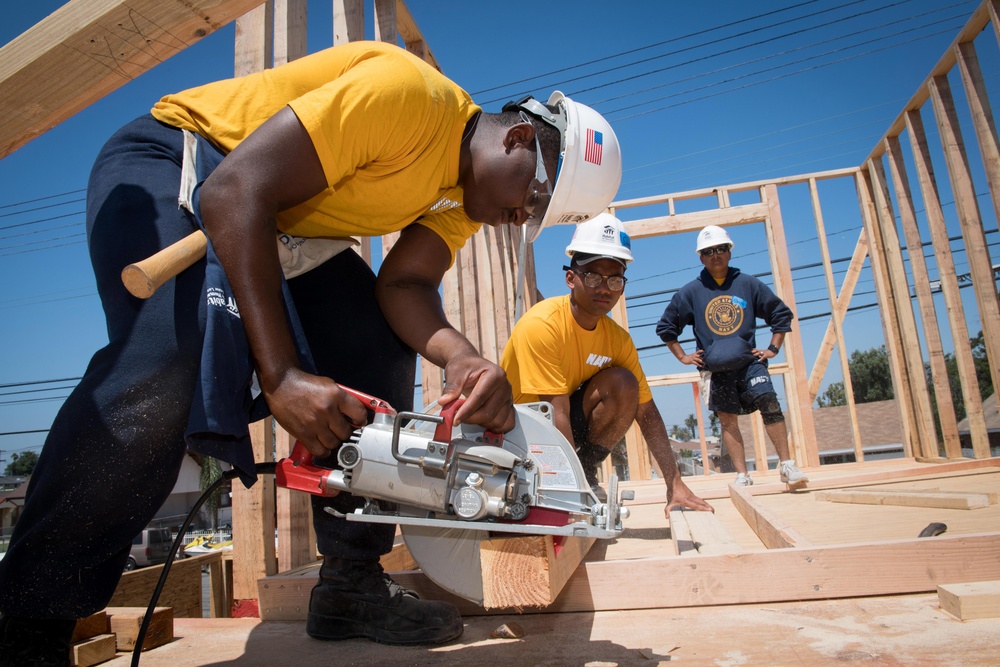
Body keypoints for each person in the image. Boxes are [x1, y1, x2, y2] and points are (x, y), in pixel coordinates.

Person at [0, 40, 623, 664]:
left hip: (279, 224)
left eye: (537, 219)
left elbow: (404, 285)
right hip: (189, 163)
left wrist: (462, 358)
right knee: (166, 366)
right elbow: (233, 191)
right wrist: (281, 375)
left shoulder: (463, 198)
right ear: (518, 138)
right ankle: (27, 621)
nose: (521, 219)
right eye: (534, 201)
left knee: (373, 348)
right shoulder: (410, 97)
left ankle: (351, 585)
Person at [500, 214, 713, 514]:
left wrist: (673, 482)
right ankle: (572, 482)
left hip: (558, 423)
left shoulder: (617, 340)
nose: (605, 288)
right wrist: (571, 492)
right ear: (571, 278)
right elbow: (555, 413)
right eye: (593, 276)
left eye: (614, 279)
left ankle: (584, 472)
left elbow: (647, 411)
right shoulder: (542, 325)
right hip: (516, 430)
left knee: (625, 384)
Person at [655, 225, 808, 488]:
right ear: (700, 257)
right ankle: (742, 475)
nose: (716, 254)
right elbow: (666, 327)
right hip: (715, 370)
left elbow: (780, 315)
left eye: (721, 249)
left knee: (769, 404)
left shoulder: (747, 284)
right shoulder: (691, 291)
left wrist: (773, 348)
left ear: (729, 252)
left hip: (750, 364)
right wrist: (682, 357)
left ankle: (787, 466)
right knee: (727, 419)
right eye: (708, 251)